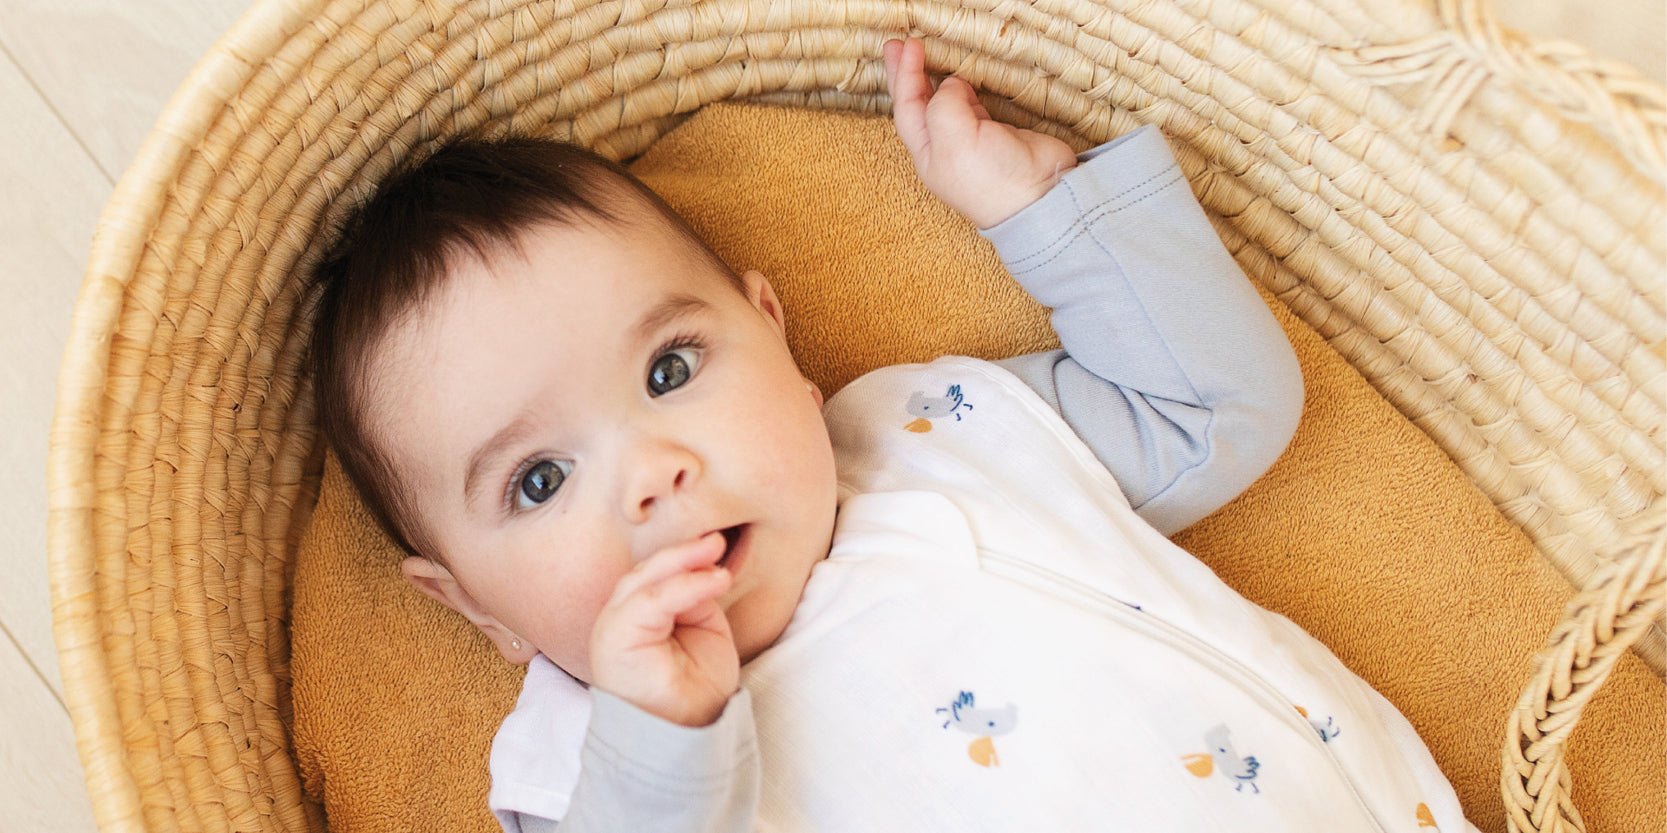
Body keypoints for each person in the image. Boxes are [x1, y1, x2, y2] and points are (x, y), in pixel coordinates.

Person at [311, 36, 1477, 833]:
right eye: (540, 480)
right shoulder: (584, 760)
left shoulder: (940, 432)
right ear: (470, 603)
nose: (651, 472)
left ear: (775, 336)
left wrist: (1039, 212)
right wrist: (661, 738)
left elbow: (1213, 410)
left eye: (671, 368)